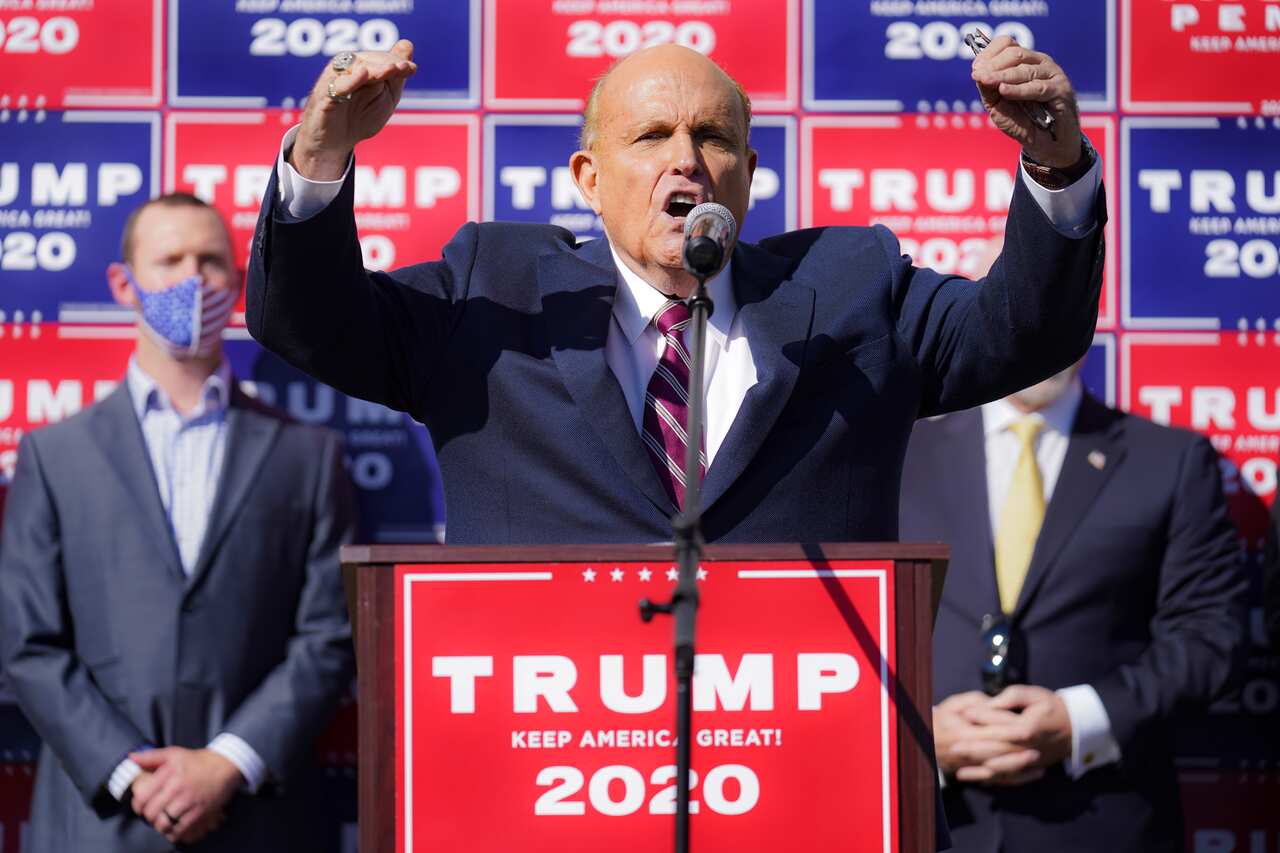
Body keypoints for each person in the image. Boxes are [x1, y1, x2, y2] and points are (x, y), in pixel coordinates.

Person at [246, 39, 1105, 547]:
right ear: (589, 176)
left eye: (713, 137)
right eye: (651, 135)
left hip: (797, 763)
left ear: (749, 175)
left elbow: (1022, 334)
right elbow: (311, 321)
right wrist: (319, 161)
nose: (686, 160)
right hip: (549, 765)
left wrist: (1055, 166)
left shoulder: (851, 289)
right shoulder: (492, 293)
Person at [0, 193, 356, 852]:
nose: (192, 279)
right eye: (169, 260)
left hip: (255, 820)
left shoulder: (308, 455)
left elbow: (329, 637)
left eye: (211, 261)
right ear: (123, 283)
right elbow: (26, 641)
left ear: (238, 282)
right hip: (96, 822)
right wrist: (133, 776)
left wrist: (227, 760)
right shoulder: (54, 457)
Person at [900, 361, 1248, 852]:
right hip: (930, 823)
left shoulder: (1170, 461)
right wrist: (918, 740)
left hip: (1103, 823)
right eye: (1029, 308)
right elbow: (838, 634)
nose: (1046, 333)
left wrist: (1079, 719)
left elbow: (1210, 639)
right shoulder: (898, 455)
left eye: (1063, 306)